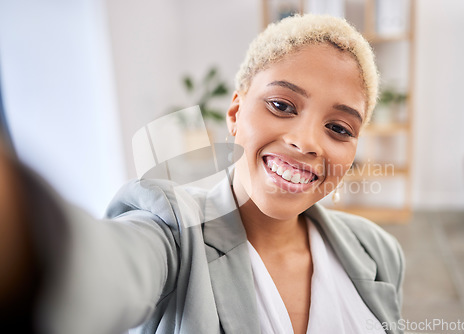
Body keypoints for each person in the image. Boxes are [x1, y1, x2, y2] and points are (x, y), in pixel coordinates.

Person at [0, 14, 404, 334]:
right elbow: (94, 269)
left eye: (339, 128)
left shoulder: (378, 251)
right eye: (282, 105)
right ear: (234, 114)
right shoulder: (174, 236)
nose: (306, 142)